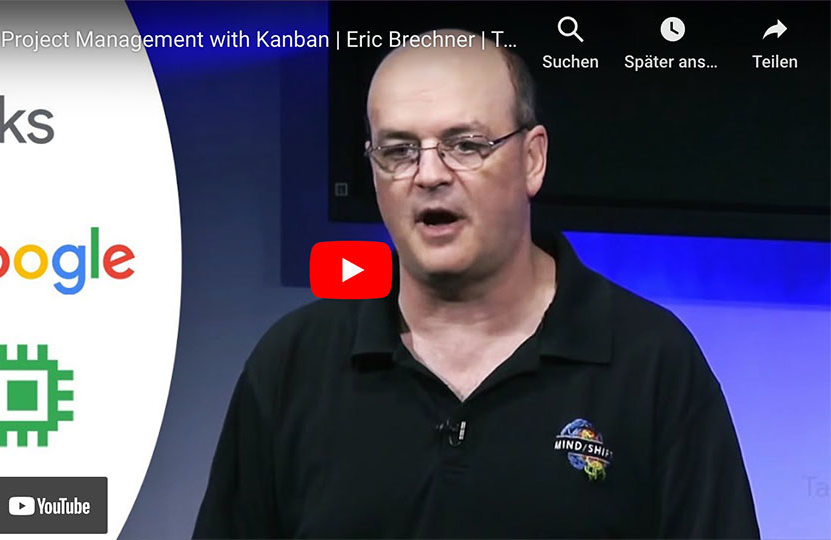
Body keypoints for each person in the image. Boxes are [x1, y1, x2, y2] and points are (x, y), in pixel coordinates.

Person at [193, 29, 759, 538]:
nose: (429, 174)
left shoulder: (652, 362)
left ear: (532, 159)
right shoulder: (294, 364)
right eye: (398, 151)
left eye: (465, 145)